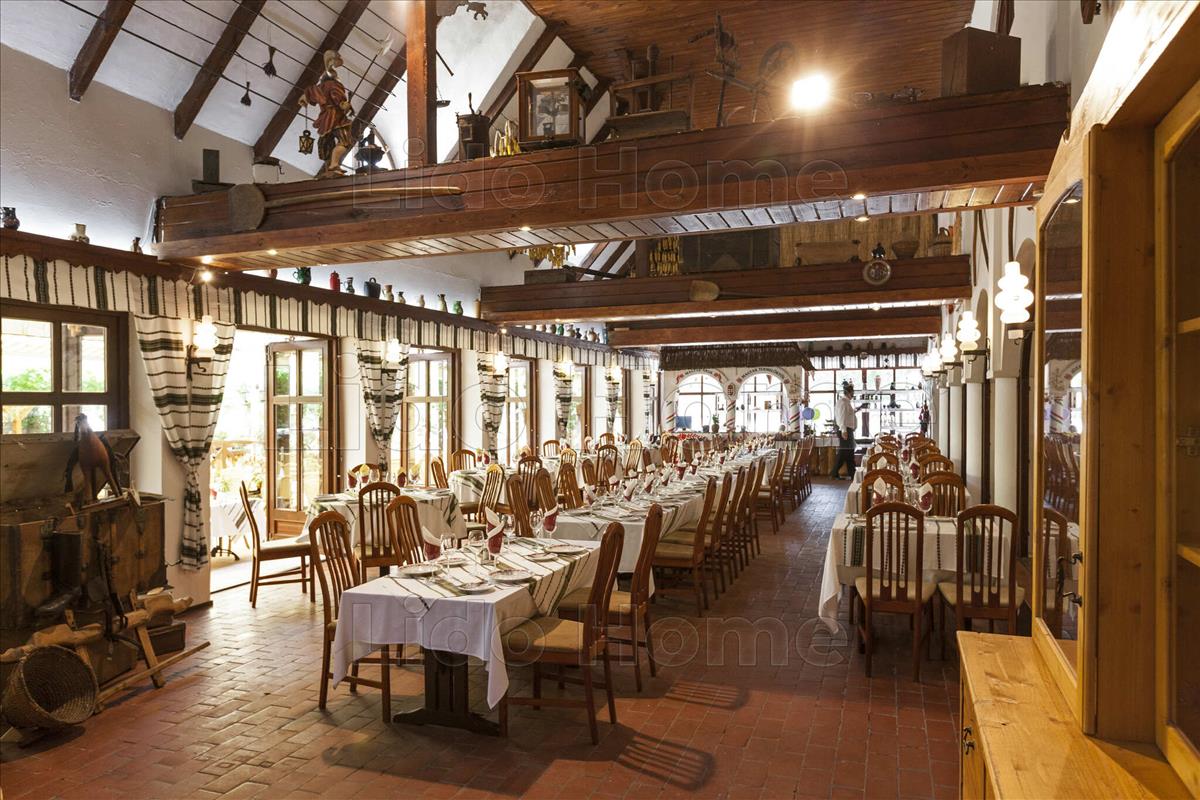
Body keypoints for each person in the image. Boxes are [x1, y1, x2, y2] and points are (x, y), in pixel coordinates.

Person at [832, 381, 858, 480]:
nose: (853, 394)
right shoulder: (843, 402)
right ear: (848, 392)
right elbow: (841, 417)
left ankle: (849, 473)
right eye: (852, 392)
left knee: (847, 452)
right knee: (847, 452)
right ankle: (852, 474)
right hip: (845, 429)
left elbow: (847, 415)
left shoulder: (846, 402)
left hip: (847, 429)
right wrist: (843, 430)